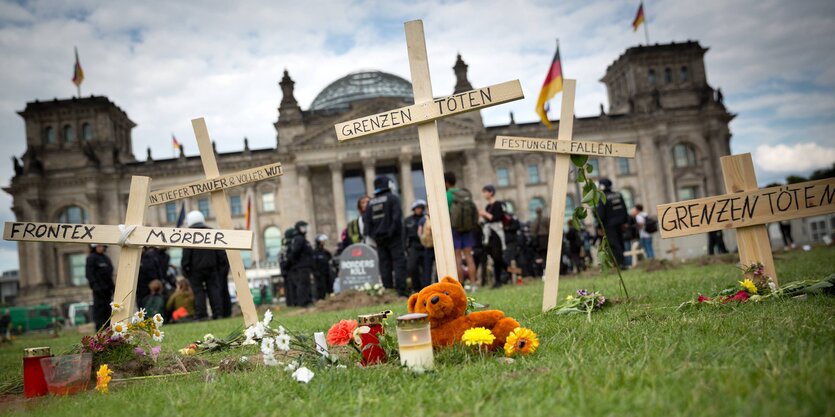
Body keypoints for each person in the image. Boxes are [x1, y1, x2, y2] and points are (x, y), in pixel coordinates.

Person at [364, 176, 409, 297]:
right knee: (398, 263)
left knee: (384, 265)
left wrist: (375, 236)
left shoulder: (370, 203)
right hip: (393, 238)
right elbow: (397, 218)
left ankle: (388, 292)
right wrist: (391, 232)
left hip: (379, 240)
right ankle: (401, 291)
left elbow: (366, 223)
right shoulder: (393, 198)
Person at [181, 211, 230, 320]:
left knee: (198, 292)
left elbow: (186, 255)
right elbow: (220, 253)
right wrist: (220, 267)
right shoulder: (211, 232)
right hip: (212, 268)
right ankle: (217, 313)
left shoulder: (189, 235)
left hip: (195, 270)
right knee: (214, 290)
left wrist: (185, 268)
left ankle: (202, 314)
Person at [445, 171, 479, 291]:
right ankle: (474, 284)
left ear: (446, 182)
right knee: (469, 256)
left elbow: (446, 213)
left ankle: (461, 286)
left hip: (455, 229)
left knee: (457, 257)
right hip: (468, 228)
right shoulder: (464, 193)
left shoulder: (448, 195)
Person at [596, 178, 629, 269]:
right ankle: (623, 262)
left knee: (614, 245)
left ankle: (620, 264)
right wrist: (626, 222)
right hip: (620, 224)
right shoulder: (618, 195)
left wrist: (599, 227)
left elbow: (601, 214)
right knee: (620, 242)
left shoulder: (603, 198)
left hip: (609, 226)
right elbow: (625, 209)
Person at [479, 185, 507, 288]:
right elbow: (488, 220)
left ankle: (499, 280)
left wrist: (485, 214)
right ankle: (504, 271)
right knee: (492, 255)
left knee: (497, 256)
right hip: (489, 234)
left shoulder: (498, 204)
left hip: (497, 233)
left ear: (490, 192)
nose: (484, 194)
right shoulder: (488, 206)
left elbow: (497, 217)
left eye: (485, 192)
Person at [85, 244, 115, 330]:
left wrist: (113, 288)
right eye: (98, 246)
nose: (101, 248)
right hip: (98, 290)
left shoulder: (106, 258)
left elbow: (110, 274)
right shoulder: (91, 258)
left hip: (107, 289)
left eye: (102, 246)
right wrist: (95, 286)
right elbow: (89, 274)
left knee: (108, 310)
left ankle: (108, 328)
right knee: (99, 310)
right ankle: (99, 329)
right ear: (94, 247)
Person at [287, 221, 315, 307]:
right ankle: (304, 302)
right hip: (301, 266)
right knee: (303, 284)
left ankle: (307, 300)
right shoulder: (299, 239)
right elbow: (295, 252)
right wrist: (297, 262)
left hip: (303, 265)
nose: (305, 229)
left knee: (305, 283)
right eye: (303, 227)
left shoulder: (300, 238)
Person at [404, 199, 427, 292]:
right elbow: (404, 235)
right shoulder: (408, 220)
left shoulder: (426, 219)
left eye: (421, 208)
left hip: (425, 246)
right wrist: (405, 248)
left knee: (426, 268)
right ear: (414, 209)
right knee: (412, 267)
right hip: (413, 246)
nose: (419, 210)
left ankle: (426, 287)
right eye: (417, 208)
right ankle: (416, 288)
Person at [417, 209, 436, 285]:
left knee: (427, 268)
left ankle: (427, 285)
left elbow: (419, 232)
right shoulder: (436, 218)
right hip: (436, 247)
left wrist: (423, 240)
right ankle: (439, 283)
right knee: (439, 268)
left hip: (427, 247)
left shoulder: (423, 219)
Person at [312, 234, 333, 300]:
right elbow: (313, 263)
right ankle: (320, 300)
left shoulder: (325, 252)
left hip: (327, 272)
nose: (323, 242)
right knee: (321, 288)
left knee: (329, 286)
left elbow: (330, 258)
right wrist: (315, 272)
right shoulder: (315, 252)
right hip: (319, 274)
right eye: (322, 241)